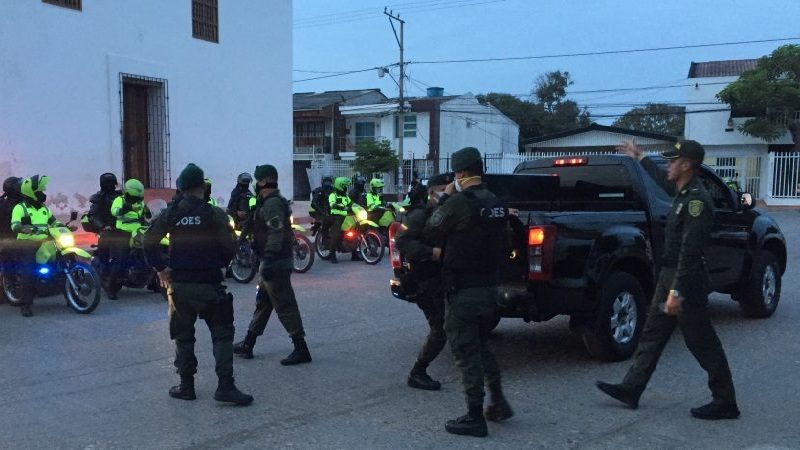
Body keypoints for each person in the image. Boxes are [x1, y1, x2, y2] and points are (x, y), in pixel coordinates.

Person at [596, 139, 740, 420]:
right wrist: (640, 157)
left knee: (702, 341)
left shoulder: (698, 202)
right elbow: (663, 181)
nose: (669, 165)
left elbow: (690, 251)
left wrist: (676, 291)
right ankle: (631, 388)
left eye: (673, 160)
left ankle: (725, 401)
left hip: (685, 281)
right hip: (669, 276)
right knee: (653, 333)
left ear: (687, 165)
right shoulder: (683, 193)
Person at [143, 163, 252, 405]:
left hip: (180, 285)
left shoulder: (170, 213)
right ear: (203, 187)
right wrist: (220, 264)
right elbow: (231, 247)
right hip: (210, 283)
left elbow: (148, 241)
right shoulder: (215, 214)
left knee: (184, 337)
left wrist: (161, 269)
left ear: (180, 188)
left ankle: (186, 386)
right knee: (222, 335)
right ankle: (225, 386)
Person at [423, 147, 513, 438]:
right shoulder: (497, 202)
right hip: (490, 288)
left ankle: (475, 415)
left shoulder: (459, 202)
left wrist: (446, 196)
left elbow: (431, 230)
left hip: (463, 290)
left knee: (465, 351)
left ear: (459, 173)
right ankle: (497, 399)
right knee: (480, 343)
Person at [234, 164, 312, 365]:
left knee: (285, 305)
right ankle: (248, 344)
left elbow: (276, 234)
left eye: (257, 181)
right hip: (270, 261)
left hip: (275, 262)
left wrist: (268, 259)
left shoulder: (272, 204)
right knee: (264, 303)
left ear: (262, 181)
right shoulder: (266, 202)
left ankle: (301, 348)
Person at [395, 173, 451, 391]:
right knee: (440, 329)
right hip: (426, 279)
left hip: (445, 278)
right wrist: (431, 252)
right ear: (431, 192)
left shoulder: (448, 212)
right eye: (443, 189)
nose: (447, 193)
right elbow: (402, 241)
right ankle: (418, 372)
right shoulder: (420, 215)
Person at [10, 175, 62, 317]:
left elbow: (54, 222)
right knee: (29, 270)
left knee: (63, 256)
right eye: (40, 191)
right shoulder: (20, 208)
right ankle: (25, 304)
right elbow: (15, 225)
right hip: (27, 242)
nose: (43, 193)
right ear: (31, 192)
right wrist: (24, 228)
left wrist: (63, 227)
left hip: (45, 240)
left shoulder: (44, 208)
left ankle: (70, 291)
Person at [106, 178, 150, 300]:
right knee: (120, 260)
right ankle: (112, 288)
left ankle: (153, 283)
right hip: (122, 232)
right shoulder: (119, 200)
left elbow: (144, 215)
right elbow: (115, 212)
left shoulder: (140, 202)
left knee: (150, 249)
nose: (138, 200)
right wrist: (128, 207)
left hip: (138, 230)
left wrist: (149, 214)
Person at [86, 173, 122, 278]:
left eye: (111, 183)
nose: (110, 185)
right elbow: (92, 215)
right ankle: (106, 274)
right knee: (106, 244)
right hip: (108, 229)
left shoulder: (121, 196)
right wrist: (103, 226)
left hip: (123, 228)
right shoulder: (99, 198)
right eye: (107, 183)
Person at [0, 177, 22, 277]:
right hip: (8, 237)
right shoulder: (2, 204)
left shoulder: (26, 202)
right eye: (19, 186)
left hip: (26, 235)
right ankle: (8, 280)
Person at [327, 176, 352, 264]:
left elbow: (351, 203)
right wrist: (342, 207)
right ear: (339, 186)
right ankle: (332, 254)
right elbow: (333, 205)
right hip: (336, 216)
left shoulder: (345, 196)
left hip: (346, 216)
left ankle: (355, 254)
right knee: (336, 235)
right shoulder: (333, 195)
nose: (345, 188)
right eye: (344, 186)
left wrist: (358, 207)